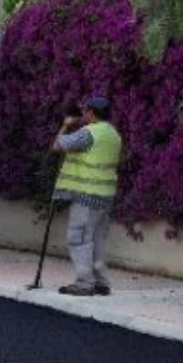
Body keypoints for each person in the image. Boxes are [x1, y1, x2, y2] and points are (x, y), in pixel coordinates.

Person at [51, 96, 122, 297]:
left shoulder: (89, 133)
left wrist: (65, 125)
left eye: (85, 112)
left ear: (91, 113)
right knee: (96, 240)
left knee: (79, 238)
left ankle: (84, 283)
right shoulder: (113, 134)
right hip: (105, 196)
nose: (83, 115)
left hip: (86, 196)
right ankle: (101, 282)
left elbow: (57, 146)